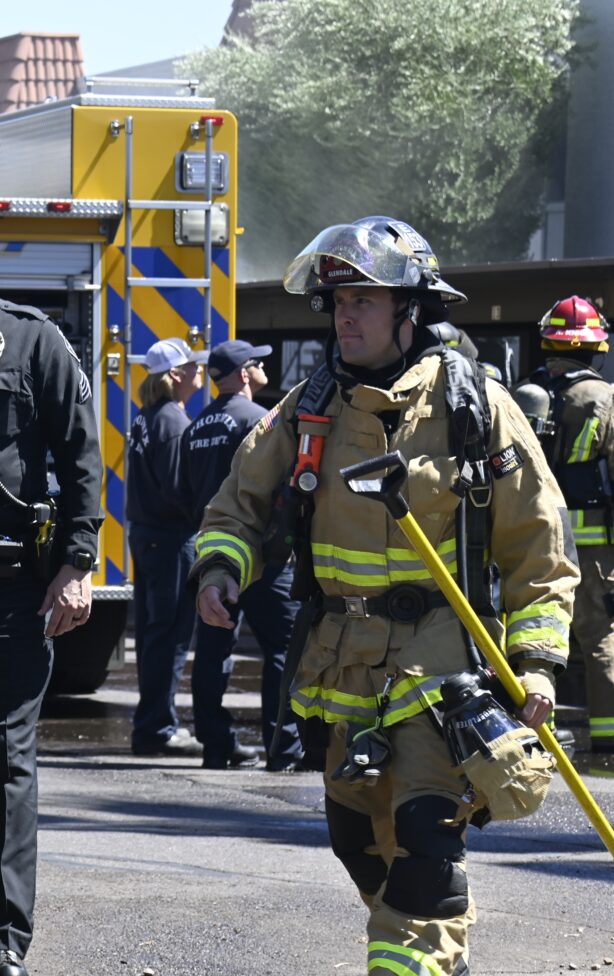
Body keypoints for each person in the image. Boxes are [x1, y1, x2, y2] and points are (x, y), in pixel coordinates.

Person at [189, 216, 579, 976]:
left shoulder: (474, 407)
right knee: (359, 843)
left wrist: (536, 664)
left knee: (427, 844)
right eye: (339, 303)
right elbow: (238, 506)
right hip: (340, 666)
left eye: (364, 300)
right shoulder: (310, 406)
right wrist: (221, 571)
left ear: (411, 309)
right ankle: (429, 958)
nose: (346, 316)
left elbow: (538, 543)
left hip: (443, 667)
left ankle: (411, 958)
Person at [0, 299, 103, 976]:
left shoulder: (32, 340)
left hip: (11, 588)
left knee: (7, 759)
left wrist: (77, 562)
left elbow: (80, 455)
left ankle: (4, 938)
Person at [181, 339, 304, 770]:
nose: (264, 367)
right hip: (265, 556)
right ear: (244, 373)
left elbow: (185, 493)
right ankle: (283, 748)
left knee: (212, 650)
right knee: (283, 650)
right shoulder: (261, 421)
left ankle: (215, 746)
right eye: (258, 362)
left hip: (215, 555)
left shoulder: (195, 426)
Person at [514, 295, 614, 753]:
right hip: (591, 543)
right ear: (596, 349)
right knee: (601, 636)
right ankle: (608, 742)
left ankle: (535, 734)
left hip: (529, 533)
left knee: (533, 634)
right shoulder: (604, 398)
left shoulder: (522, 395)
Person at [127, 337, 208, 756]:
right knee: (170, 634)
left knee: (153, 633)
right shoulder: (173, 421)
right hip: (171, 539)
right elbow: (178, 488)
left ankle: (152, 724)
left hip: (148, 536)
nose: (200, 371)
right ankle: (158, 727)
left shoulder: (147, 416)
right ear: (176, 375)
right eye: (193, 366)